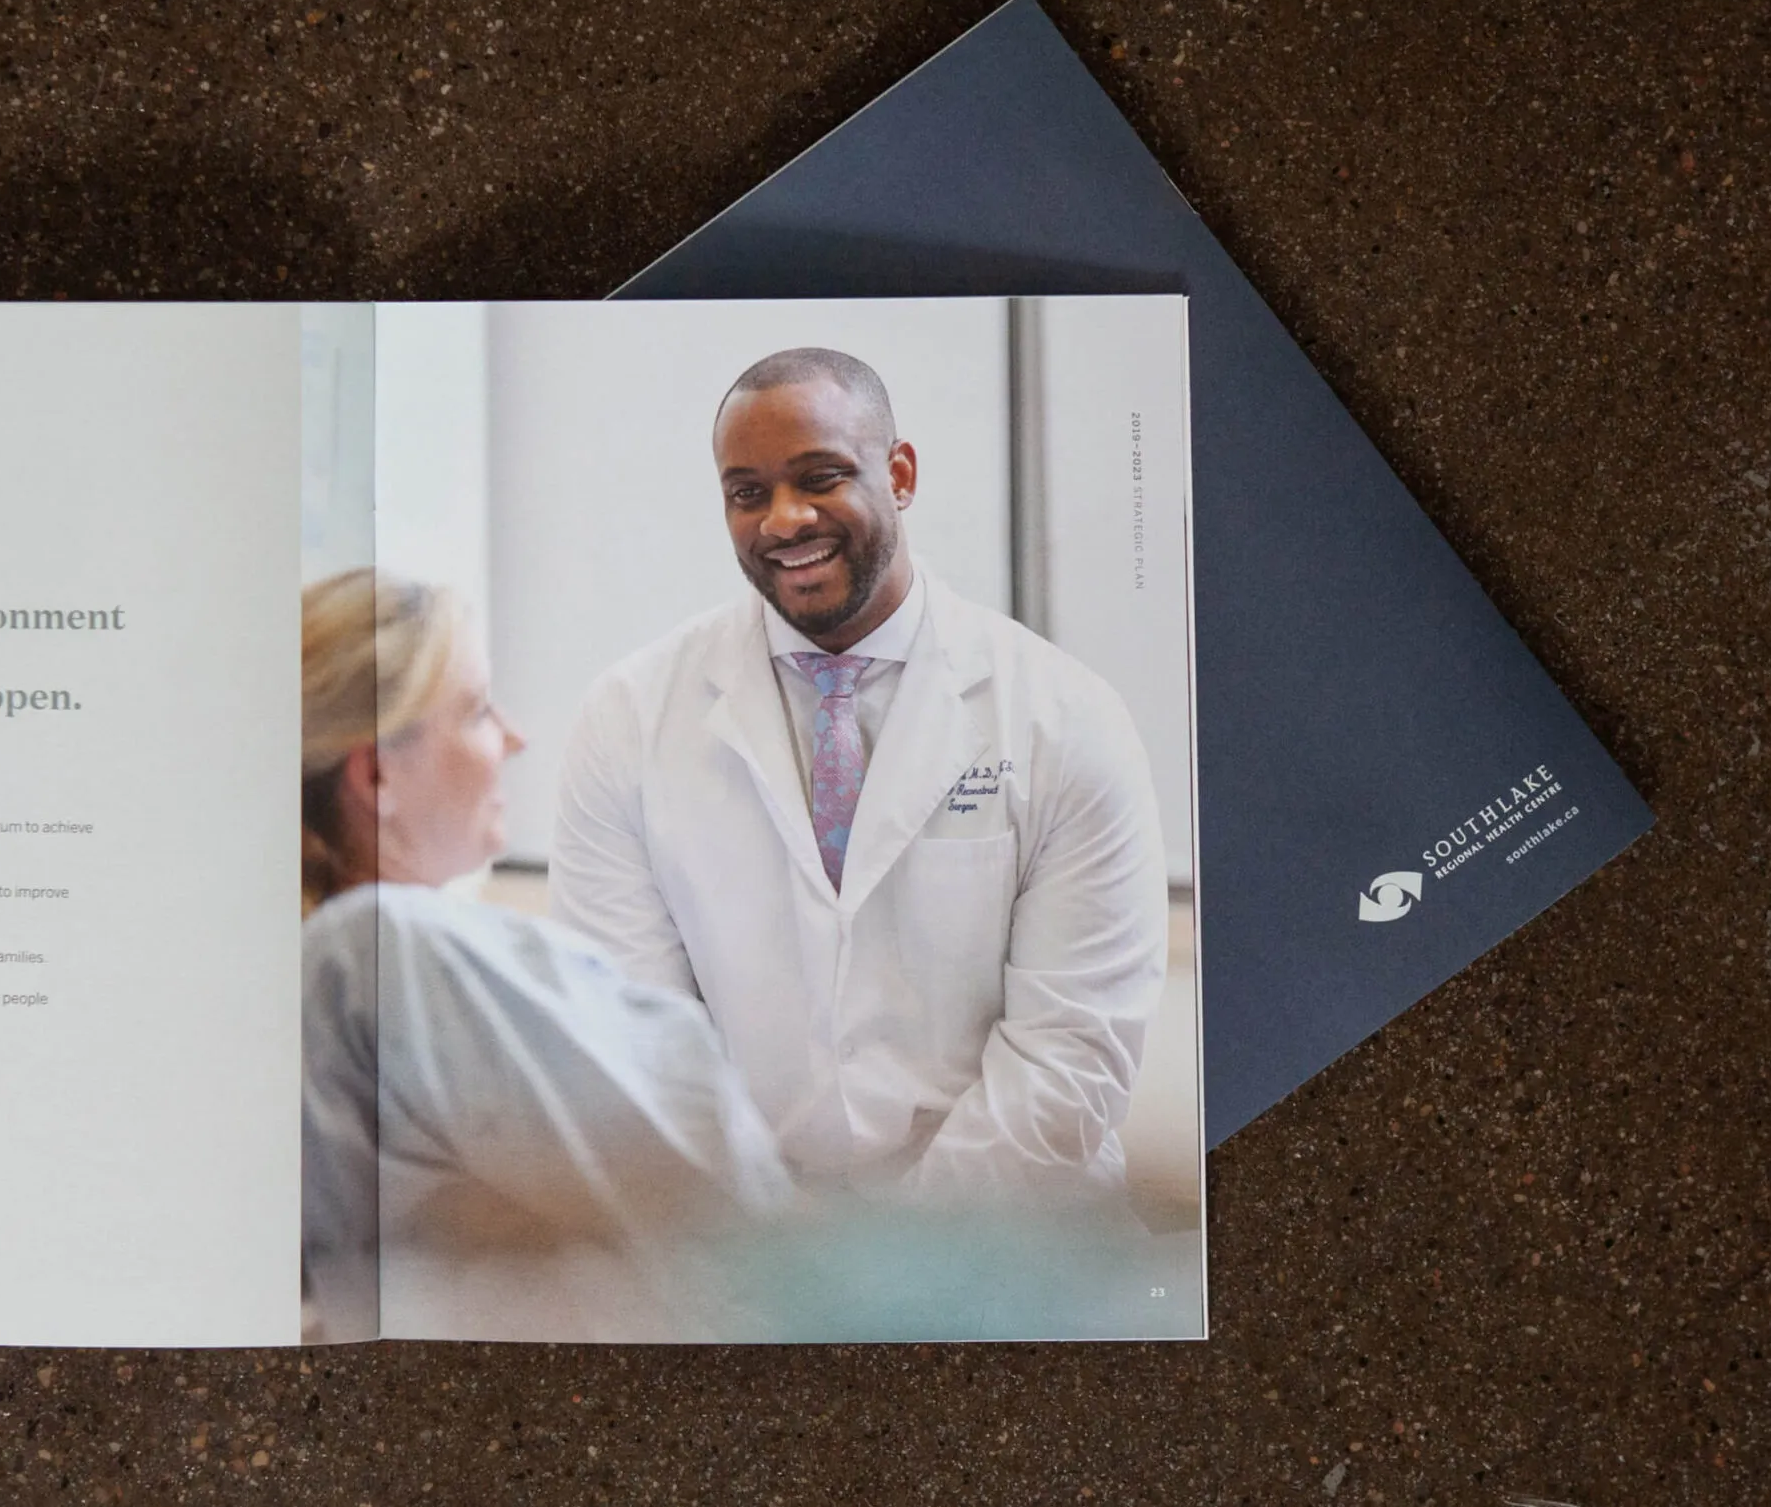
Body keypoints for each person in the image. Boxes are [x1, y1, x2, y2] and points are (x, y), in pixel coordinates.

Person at [548, 347, 1170, 1216]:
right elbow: (632, 1043)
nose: (784, 519)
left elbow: (1071, 1056)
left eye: (821, 477)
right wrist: (772, 1251)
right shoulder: (627, 718)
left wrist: (881, 1265)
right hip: (738, 1243)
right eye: (747, 492)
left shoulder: (1066, 718)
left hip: (1013, 1239)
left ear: (900, 474)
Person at [297, 568, 791, 1344]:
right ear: (377, 774)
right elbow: (728, 1211)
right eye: (476, 711)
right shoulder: (386, 949)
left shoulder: (329, 982)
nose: (514, 738)